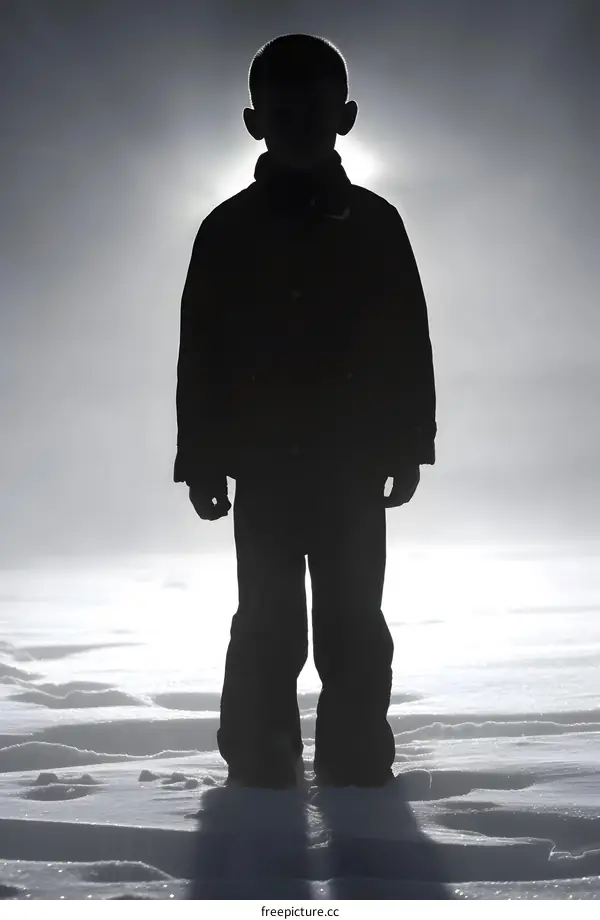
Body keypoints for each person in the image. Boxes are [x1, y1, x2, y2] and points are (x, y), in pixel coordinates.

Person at [174, 33, 437, 789]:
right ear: (254, 121)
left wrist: (408, 443)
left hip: (348, 466)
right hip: (268, 469)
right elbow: (202, 354)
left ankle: (352, 763)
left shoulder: (376, 224)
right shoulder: (226, 230)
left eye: (312, 110)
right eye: (284, 111)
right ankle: (262, 767)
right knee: (268, 623)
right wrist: (202, 459)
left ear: (344, 117)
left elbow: (408, 342)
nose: (297, 124)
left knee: (351, 621)